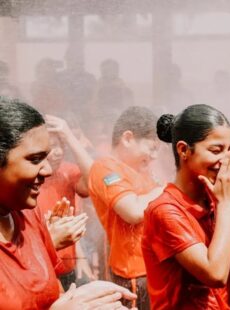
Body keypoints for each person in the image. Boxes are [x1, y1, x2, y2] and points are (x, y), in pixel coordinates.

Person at [0, 97, 137, 309]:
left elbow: (52, 292)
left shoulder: (27, 215)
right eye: (35, 159)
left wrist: (85, 299)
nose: (46, 170)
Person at [141, 104, 230, 309]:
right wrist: (227, 203)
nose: (226, 160)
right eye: (216, 150)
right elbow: (215, 275)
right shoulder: (165, 210)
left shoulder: (218, 201)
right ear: (183, 150)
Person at [88, 106, 163, 310]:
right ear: (128, 138)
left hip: (154, 268)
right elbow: (133, 211)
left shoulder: (141, 171)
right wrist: (170, 188)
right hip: (134, 274)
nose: (154, 156)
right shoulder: (105, 167)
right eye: (151, 148)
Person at [37, 114, 95, 290]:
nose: (59, 152)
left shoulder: (67, 172)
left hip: (67, 267)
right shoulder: (25, 179)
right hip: (39, 267)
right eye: (52, 146)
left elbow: (94, 180)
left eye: (62, 145)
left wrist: (70, 137)